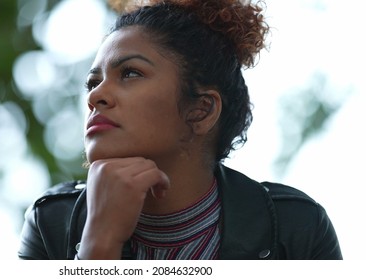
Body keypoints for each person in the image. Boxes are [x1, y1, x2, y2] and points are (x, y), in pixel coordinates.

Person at [18, 0, 342, 260]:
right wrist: (98, 243)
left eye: (130, 73)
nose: (94, 95)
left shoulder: (296, 229)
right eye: (93, 81)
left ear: (201, 110)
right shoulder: (51, 224)